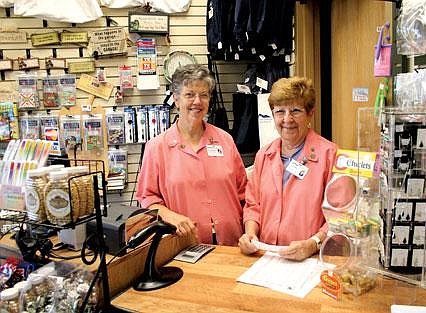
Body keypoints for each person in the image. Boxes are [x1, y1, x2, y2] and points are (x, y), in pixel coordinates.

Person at [136, 64, 247, 246]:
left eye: (204, 95)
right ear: (176, 99)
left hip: (232, 241)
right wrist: (172, 217)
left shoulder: (225, 140)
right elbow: (147, 199)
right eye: (190, 94)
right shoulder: (157, 147)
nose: (197, 101)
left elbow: (243, 192)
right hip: (184, 244)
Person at [238, 76, 337, 260]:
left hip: (311, 260)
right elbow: (253, 205)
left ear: (310, 113)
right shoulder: (263, 155)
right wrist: (250, 233)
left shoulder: (330, 156)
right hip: (266, 257)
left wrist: (314, 243)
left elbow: (339, 217)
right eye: (279, 111)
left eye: (295, 111)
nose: (287, 119)